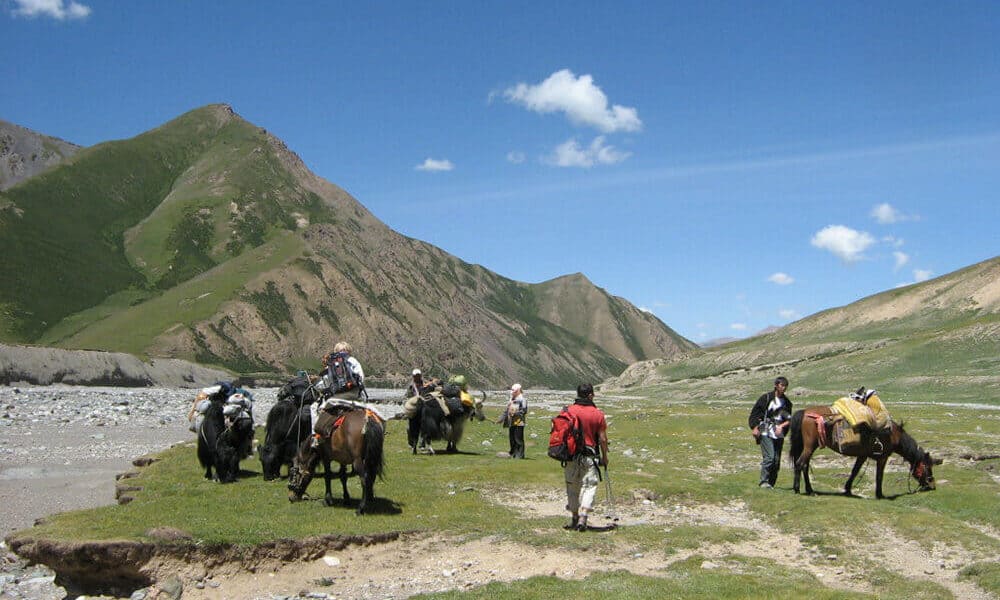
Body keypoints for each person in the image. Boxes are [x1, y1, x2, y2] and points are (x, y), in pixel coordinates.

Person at [563, 383, 609, 532]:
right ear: (590, 395)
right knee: (589, 486)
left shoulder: (568, 410)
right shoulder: (597, 414)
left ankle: (574, 517)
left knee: (572, 486)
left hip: (570, 455)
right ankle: (583, 516)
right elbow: (602, 439)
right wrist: (605, 457)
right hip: (590, 455)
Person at [310, 341, 366, 446]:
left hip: (337, 398)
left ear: (335, 351)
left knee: (315, 408)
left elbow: (324, 384)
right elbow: (361, 379)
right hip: (355, 396)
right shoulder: (353, 361)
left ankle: (316, 437)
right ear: (349, 351)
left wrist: (315, 383)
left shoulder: (331, 363)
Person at [748, 376, 793, 488]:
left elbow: (789, 419)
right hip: (765, 429)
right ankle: (763, 481)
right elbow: (754, 414)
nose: (784, 388)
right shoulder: (766, 398)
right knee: (770, 456)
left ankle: (771, 483)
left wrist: (781, 427)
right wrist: (755, 427)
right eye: (782, 385)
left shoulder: (787, 403)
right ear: (776, 385)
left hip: (778, 433)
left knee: (776, 460)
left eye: (785, 386)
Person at [506, 383, 527, 459]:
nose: (512, 393)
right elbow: (507, 409)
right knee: (512, 438)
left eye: (514, 391)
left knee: (518, 439)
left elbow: (524, 410)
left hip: (519, 422)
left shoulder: (522, 399)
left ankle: (520, 455)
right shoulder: (511, 399)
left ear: (518, 391)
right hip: (511, 421)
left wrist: (515, 413)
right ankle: (513, 453)